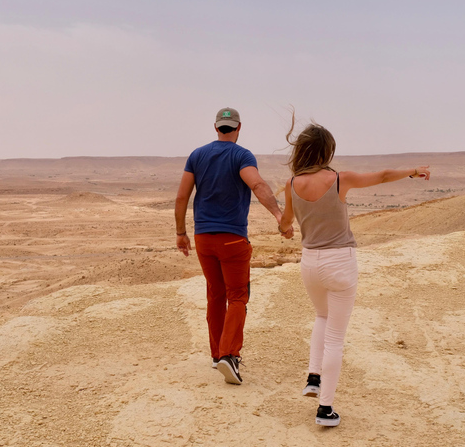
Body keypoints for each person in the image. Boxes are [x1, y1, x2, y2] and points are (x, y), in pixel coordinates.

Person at [279, 118, 429, 426]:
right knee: (336, 336)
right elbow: (384, 175)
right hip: (340, 262)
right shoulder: (338, 179)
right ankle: (325, 409)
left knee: (321, 317)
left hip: (310, 263)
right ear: (326, 151)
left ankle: (313, 377)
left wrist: (285, 229)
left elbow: (285, 223)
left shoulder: (292, 184)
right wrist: (413, 170)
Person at [175, 107, 290, 385]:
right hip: (233, 239)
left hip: (203, 238)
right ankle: (229, 355)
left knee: (215, 294)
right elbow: (258, 185)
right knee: (237, 296)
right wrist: (279, 215)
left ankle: (217, 355)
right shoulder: (242, 155)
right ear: (239, 128)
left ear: (216, 127)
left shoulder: (197, 155)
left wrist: (181, 232)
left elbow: (181, 198)